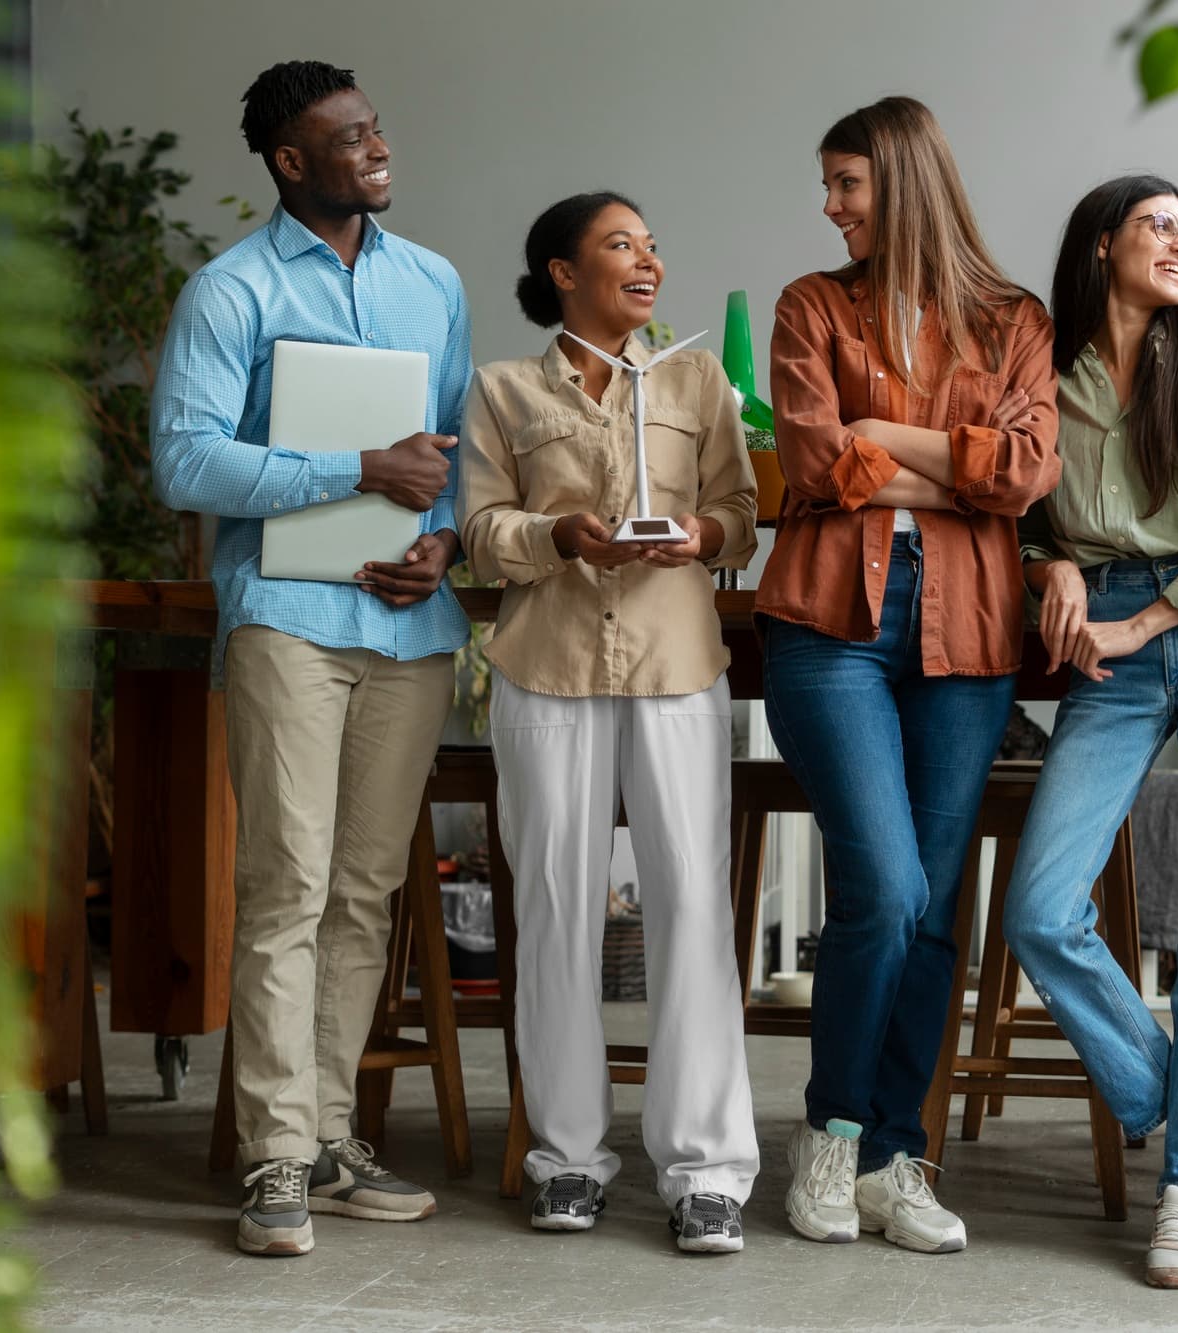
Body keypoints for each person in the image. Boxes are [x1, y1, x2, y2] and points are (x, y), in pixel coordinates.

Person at [150, 60, 472, 1258]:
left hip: (407, 623)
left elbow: (456, 450)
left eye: (377, 128)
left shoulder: (432, 282)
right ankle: (275, 1159)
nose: (375, 149)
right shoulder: (229, 291)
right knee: (286, 884)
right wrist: (354, 474)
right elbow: (183, 462)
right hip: (288, 617)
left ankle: (331, 1138)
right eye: (348, 138)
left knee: (363, 891)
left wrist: (436, 542)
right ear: (291, 163)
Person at [757, 95, 1061, 1255]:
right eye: (826, 188)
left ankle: (894, 1153)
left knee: (934, 909)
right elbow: (812, 458)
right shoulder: (809, 306)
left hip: (969, 637)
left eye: (846, 184)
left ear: (902, 182)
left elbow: (1026, 473)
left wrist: (885, 441)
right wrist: (954, 469)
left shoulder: (1012, 319)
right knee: (881, 889)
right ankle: (828, 1132)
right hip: (831, 629)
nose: (828, 208)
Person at [1000, 175, 1178, 1289]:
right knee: (1037, 906)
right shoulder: (1047, 373)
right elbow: (1019, 506)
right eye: (1154, 225)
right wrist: (1053, 563)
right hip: (1105, 638)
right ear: (1101, 243)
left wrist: (1144, 626)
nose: (1177, 242)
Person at [459, 192, 761, 1253]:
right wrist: (560, 535)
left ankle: (706, 1170)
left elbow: (742, 513)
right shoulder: (500, 390)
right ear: (560, 272)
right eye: (619, 245)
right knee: (551, 909)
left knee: (690, 906)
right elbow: (479, 530)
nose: (647, 260)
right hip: (545, 669)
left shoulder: (697, 380)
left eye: (651, 245)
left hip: (676, 666)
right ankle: (566, 1159)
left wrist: (698, 532)